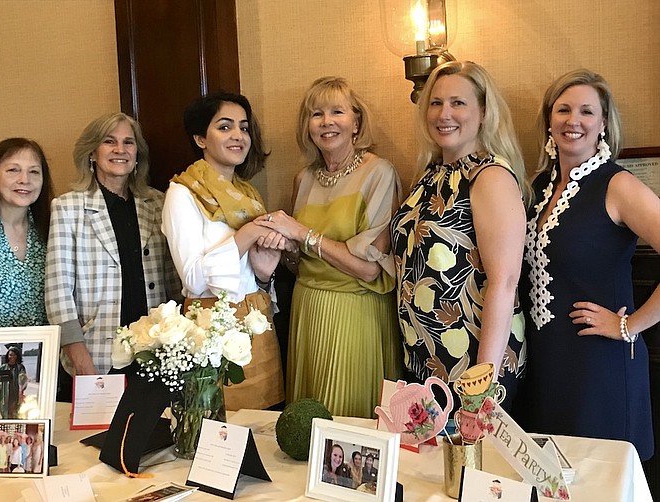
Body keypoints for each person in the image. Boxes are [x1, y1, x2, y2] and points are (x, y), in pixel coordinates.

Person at [517, 69, 659, 461]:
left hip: (601, 366)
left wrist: (628, 325)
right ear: (549, 120)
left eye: (586, 111)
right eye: (563, 110)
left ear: (603, 124)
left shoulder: (617, 185)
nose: (572, 120)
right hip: (547, 362)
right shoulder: (538, 188)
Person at [255, 76, 403, 418]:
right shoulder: (303, 178)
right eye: (316, 114)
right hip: (307, 309)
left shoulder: (379, 173)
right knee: (306, 427)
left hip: (356, 312)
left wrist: (301, 233)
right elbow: (300, 262)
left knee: (347, 425)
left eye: (337, 111)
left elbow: (370, 268)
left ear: (356, 122)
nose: (326, 122)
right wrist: (282, 250)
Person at [391, 61, 529, 405]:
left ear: (483, 112)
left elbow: (505, 281)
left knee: (471, 460)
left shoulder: (490, 176)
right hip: (426, 359)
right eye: (436, 103)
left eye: (458, 103)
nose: (443, 114)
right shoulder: (431, 175)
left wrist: (482, 383)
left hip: (473, 363)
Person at [162, 92, 285, 411]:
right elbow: (192, 278)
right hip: (211, 328)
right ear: (200, 137)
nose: (238, 136)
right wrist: (245, 236)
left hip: (258, 322)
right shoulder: (183, 194)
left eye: (244, 128)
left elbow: (250, 275)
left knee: (266, 427)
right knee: (219, 434)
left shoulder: (248, 193)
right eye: (225, 127)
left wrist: (263, 275)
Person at [45, 112, 182, 377]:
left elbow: (172, 279)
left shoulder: (157, 203)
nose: (120, 150)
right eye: (109, 142)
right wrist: (82, 363)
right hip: (96, 355)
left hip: (155, 351)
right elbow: (58, 293)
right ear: (92, 152)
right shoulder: (67, 207)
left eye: (128, 143)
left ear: (137, 154)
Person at [0, 138, 54, 327]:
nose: (24, 180)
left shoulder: (53, 231)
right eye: (13, 170)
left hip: (47, 352)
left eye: (34, 171)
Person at [0, 347, 28, 418]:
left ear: (17, 356)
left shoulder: (20, 367)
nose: (12, 357)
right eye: (10, 355)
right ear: (7, 356)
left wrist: (21, 388)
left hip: (16, 394)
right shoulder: (1, 368)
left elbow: (23, 381)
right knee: (5, 414)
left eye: (14, 355)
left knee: (16, 413)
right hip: (5, 395)